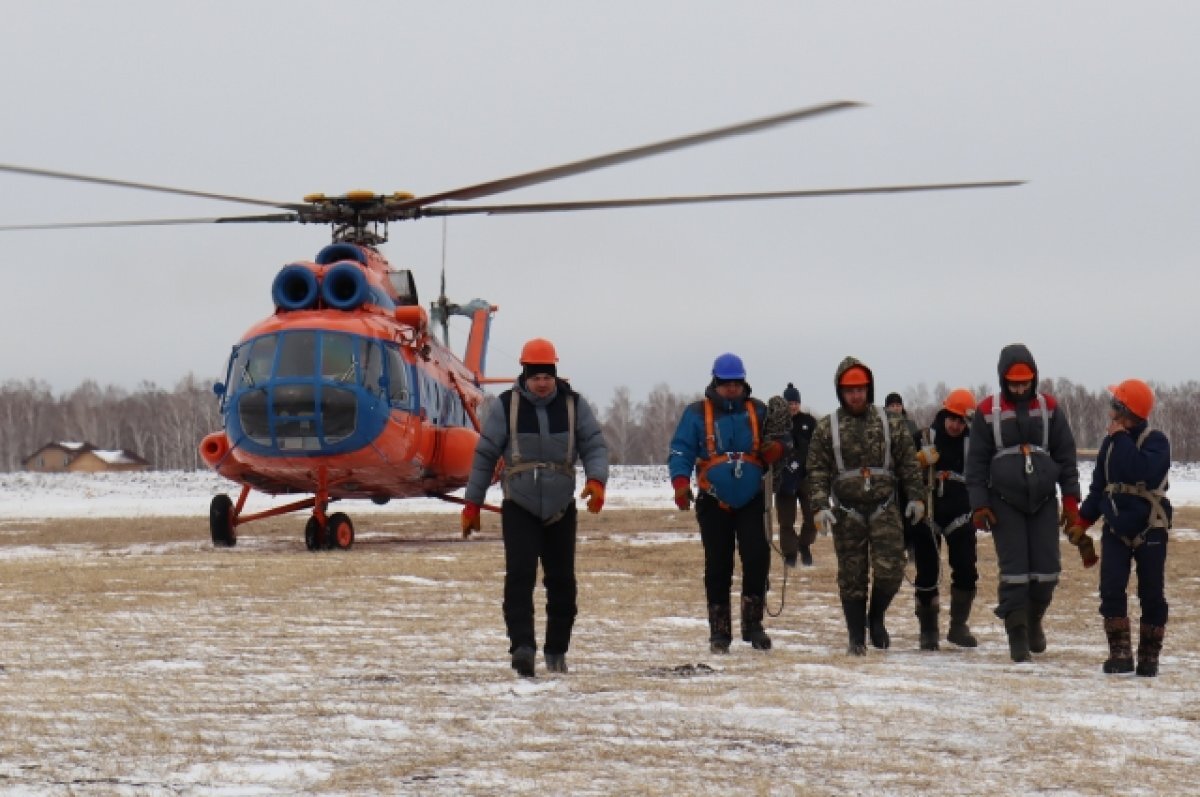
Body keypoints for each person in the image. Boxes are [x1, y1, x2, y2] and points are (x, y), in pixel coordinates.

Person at [461, 338, 609, 678]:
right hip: (519, 507)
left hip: (561, 508)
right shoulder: (506, 406)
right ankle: (522, 649)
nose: (542, 383)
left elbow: (594, 445)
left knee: (562, 583)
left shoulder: (574, 405)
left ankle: (557, 651)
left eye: (547, 375)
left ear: (555, 374)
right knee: (520, 578)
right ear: (524, 375)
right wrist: (472, 503)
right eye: (535, 376)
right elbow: (485, 456)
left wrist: (597, 480)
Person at [965, 344, 1080, 663]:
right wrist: (979, 505)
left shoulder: (1051, 408)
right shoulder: (987, 412)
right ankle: (1017, 635)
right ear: (1003, 380)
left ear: (1034, 378)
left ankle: (1033, 621)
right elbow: (975, 465)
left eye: (1025, 382)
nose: (1019, 387)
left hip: (1043, 501)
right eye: (1013, 382)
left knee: (1047, 572)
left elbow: (1066, 456)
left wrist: (1070, 500)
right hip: (1003, 504)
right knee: (1015, 573)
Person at [807, 357, 925, 655]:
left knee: (891, 570)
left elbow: (909, 464)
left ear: (869, 389)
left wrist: (916, 497)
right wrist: (820, 506)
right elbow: (817, 470)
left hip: (885, 508)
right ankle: (856, 636)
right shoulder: (826, 428)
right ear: (840, 392)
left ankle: (877, 616)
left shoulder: (891, 423)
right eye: (850, 390)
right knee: (852, 576)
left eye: (860, 389)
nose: (856, 395)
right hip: (847, 512)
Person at [668, 353, 784, 654]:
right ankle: (719, 633)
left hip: (752, 499)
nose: (731, 388)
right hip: (713, 501)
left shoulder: (758, 411)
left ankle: (753, 625)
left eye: (736, 383)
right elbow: (680, 450)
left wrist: (777, 450)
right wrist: (680, 483)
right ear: (715, 382)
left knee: (757, 557)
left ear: (743, 382)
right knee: (718, 565)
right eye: (725, 383)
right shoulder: (696, 413)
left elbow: (781, 441)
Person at [1067, 379, 1172, 676]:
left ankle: (1149, 658)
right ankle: (1120, 654)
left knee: (1152, 593)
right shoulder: (1110, 444)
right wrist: (1083, 522)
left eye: (1115, 405)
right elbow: (1099, 486)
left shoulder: (1156, 441)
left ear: (1126, 411)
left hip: (1150, 527)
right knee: (1111, 590)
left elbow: (1140, 470)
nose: (1110, 411)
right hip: (1115, 528)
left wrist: (1121, 438)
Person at [911, 388, 981, 650]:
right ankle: (928, 630)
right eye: (952, 418)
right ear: (944, 413)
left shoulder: (974, 444)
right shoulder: (924, 438)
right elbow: (902, 470)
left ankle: (958, 626)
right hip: (927, 516)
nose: (955, 424)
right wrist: (918, 461)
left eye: (961, 420)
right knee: (927, 573)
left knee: (966, 570)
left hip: (962, 516)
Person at [775, 383, 819, 567]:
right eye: (789, 402)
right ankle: (790, 554)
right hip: (784, 479)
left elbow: (818, 447)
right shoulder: (777, 425)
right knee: (786, 520)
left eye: (795, 402)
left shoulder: (809, 422)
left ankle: (804, 545)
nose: (793, 406)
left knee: (813, 517)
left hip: (806, 477)